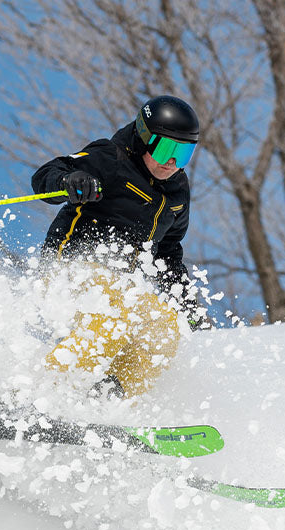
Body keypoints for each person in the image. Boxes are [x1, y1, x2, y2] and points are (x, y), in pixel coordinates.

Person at [30, 95, 207, 400]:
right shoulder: (110, 159)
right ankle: (40, 394)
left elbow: (167, 251)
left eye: (184, 152)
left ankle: (108, 400)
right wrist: (70, 179)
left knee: (163, 329)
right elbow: (46, 176)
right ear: (144, 138)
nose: (172, 162)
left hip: (120, 283)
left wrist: (184, 299)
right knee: (112, 316)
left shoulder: (177, 192)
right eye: (167, 148)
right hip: (71, 267)